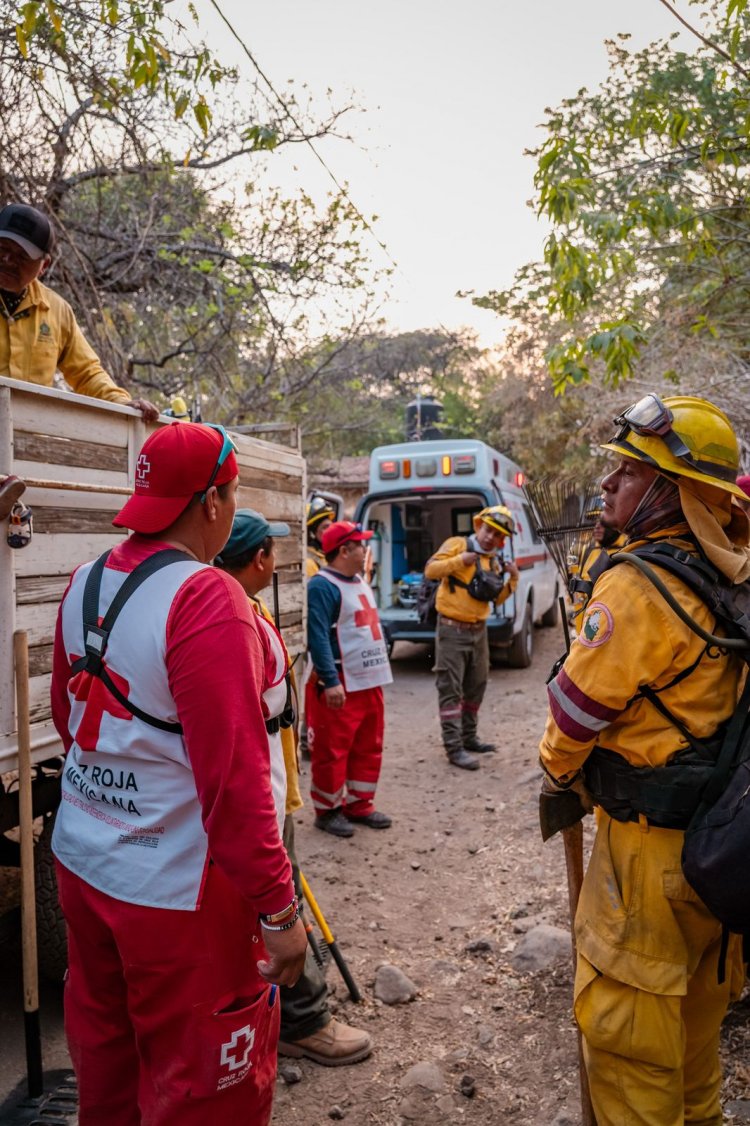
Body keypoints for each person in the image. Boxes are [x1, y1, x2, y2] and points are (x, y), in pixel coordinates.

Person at [50, 422, 306, 1125]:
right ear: (214, 503)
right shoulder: (207, 599)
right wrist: (279, 910)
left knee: (106, 1054)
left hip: (83, 858)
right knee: (204, 1085)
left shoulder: (84, 581)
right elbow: (233, 781)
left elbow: (68, 723)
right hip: (175, 891)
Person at [540, 394, 750, 1125]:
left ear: (671, 490)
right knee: (696, 1064)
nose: (608, 486)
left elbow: (572, 716)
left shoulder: (635, 587)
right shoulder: (735, 574)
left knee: (632, 1064)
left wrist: (560, 772)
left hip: (647, 869)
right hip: (722, 858)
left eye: (628, 472)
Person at [215, 509, 373, 1066]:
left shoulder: (240, 605)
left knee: (269, 893)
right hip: (257, 792)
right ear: (260, 559)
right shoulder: (226, 617)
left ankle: (271, 1008)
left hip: (270, 787)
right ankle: (304, 1020)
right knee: (277, 897)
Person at [0, 202, 158, 419]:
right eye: (2, 249)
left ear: (43, 266)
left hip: (27, 438)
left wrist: (123, 403)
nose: (7, 261)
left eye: (21, 256)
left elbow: (86, 374)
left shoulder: (56, 310)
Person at [306, 520, 393, 837]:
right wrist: (330, 680)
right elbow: (318, 636)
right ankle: (328, 811)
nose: (365, 549)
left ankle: (359, 804)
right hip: (342, 682)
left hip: (369, 681)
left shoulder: (357, 579)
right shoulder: (321, 585)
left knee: (369, 745)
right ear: (344, 550)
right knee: (332, 750)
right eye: (360, 544)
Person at [424, 505, 519, 771]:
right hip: (451, 630)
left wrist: (513, 579)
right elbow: (430, 570)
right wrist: (459, 561)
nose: (490, 537)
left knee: (476, 685)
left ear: (502, 541)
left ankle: (469, 737)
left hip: (478, 631)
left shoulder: (495, 561)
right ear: (479, 526)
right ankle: (454, 748)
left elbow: (495, 598)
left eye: (497, 534)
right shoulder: (457, 544)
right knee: (450, 689)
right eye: (488, 530)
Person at [306, 496, 336, 577]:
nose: (331, 530)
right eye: (325, 527)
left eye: (331, 526)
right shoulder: (309, 563)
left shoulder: (328, 555)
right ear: (312, 533)